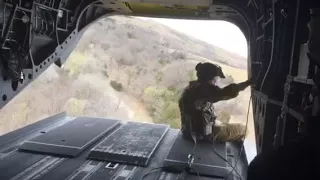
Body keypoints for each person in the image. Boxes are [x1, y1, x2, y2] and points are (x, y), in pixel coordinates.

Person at [178, 62, 252, 142]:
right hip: (202, 135)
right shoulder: (202, 90)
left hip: (188, 131)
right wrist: (248, 83)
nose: (215, 82)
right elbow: (227, 92)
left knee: (223, 124)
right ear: (208, 78)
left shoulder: (191, 88)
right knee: (243, 130)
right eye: (215, 79)